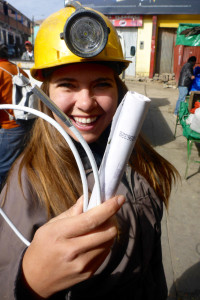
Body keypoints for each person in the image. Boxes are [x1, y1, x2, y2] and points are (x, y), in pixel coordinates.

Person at [0, 3, 179, 299]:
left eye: (101, 84)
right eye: (68, 85)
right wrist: (27, 281)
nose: (86, 102)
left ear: (118, 90)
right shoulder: (26, 183)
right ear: (45, 95)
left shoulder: (137, 156)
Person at [0, 43, 34, 190]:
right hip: (27, 122)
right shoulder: (17, 69)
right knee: (20, 164)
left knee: (3, 168)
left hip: (9, 126)